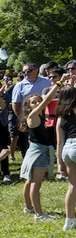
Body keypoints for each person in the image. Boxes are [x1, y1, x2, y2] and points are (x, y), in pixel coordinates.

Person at [19, 84, 59, 220]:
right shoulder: (34, 114)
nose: (37, 103)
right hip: (39, 152)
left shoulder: (35, 116)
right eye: (33, 102)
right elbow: (48, 99)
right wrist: (59, 84)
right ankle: (39, 214)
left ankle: (29, 208)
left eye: (38, 101)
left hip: (34, 151)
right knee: (36, 184)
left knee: (30, 182)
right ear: (28, 106)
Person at [56, 87, 76, 230]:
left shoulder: (61, 118)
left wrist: (59, 164)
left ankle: (69, 221)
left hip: (67, 149)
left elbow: (59, 142)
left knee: (72, 186)